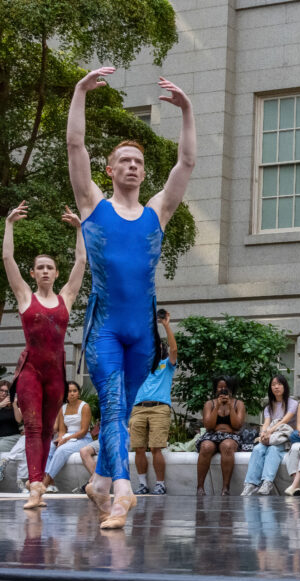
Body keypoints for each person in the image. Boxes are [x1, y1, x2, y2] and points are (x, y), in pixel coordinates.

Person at [68, 67, 196, 529]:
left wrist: (187, 112)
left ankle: (99, 482)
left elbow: (185, 165)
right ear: (110, 169)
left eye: (138, 162)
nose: (133, 166)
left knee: (120, 407)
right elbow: (75, 147)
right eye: (124, 160)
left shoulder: (157, 213)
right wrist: (80, 92)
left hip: (141, 332)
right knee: (117, 406)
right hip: (104, 327)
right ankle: (123, 491)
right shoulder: (92, 206)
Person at [3, 202, 87, 509]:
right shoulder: (25, 296)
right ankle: (35, 486)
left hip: (55, 375)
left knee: (49, 428)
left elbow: (81, 261)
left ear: (56, 272)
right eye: (40, 267)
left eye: (50, 267)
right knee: (34, 428)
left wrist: (80, 230)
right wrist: (9, 224)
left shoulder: (66, 297)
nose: (45, 271)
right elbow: (7, 258)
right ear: (33, 273)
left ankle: (37, 484)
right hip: (30, 372)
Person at [130, 309, 178, 495]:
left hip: (159, 409)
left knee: (156, 448)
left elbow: (174, 349)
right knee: (139, 448)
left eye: (156, 346)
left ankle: (160, 484)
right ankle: (142, 483)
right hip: (138, 409)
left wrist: (165, 325)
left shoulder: (166, 365)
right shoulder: (138, 366)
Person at [241, 374, 298, 496]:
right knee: (257, 449)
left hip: (285, 438)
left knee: (273, 449)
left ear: (284, 386)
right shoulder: (268, 407)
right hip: (270, 437)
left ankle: (267, 482)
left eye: (279, 384)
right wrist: (263, 434)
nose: (276, 387)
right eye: (273, 385)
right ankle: (250, 484)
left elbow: (284, 421)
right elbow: (266, 423)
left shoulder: (293, 403)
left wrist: (269, 432)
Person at [196, 377, 246, 495]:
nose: (223, 390)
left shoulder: (238, 404)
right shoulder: (210, 404)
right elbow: (208, 426)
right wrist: (217, 406)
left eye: (226, 387)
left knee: (227, 446)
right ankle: (200, 487)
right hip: (212, 435)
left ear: (231, 388)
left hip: (231, 436)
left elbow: (237, 425)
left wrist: (229, 406)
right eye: (220, 387)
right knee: (206, 447)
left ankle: (225, 488)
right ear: (215, 388)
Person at [42, 381, 93, 492]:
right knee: (48, 447)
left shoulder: (85, 407)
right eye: (69, 391)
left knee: (62, 450)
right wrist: (60, 438)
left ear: (78, 393)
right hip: (67, 436)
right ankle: (51, 484)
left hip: (82, 438)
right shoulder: (63, 408)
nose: (72, 393)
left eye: (75, 391)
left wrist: (66, 439)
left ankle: (45, 483)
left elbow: (83, 431)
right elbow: (62, 430)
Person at [0, 381, 23, 457]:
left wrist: (14, 405)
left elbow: (19, 420)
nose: (3, 393)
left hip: (11, 438)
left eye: (6, 391)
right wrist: (0, 405)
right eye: (1, 390)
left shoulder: (13, 406)